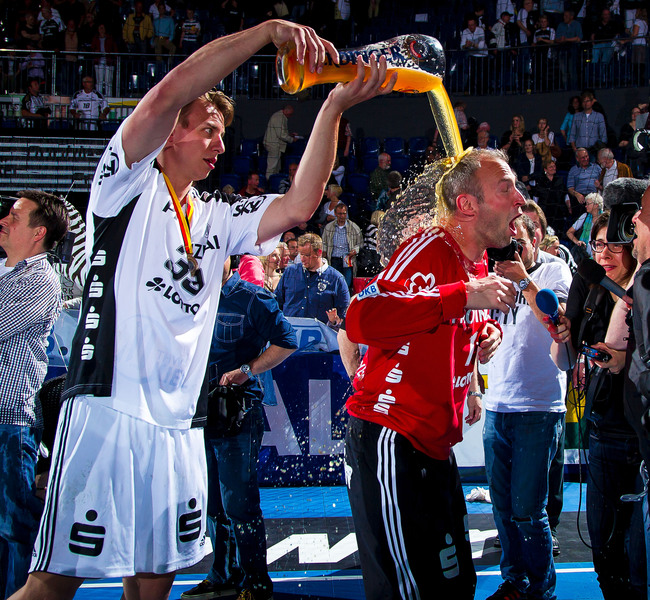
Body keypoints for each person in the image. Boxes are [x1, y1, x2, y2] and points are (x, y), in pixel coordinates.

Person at [12, 18, 395, 600]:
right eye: (209, 130)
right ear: (171, 133)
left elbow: (299, 204)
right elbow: (171, 91)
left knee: (153, 582)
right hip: (109, 405)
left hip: (181, 422)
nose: (220, 144)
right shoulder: (124, 184)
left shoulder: (217, 214)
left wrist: (334, 106)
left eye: (222, 134)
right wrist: (266, 32)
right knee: (53, 583)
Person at [344, 148, 521, 600]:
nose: (520, 199)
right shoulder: (431, 248)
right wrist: (463, 296)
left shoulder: (476, 262)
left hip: (434, 445)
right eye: (506, 188)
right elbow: (361, 317)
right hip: (392, 435)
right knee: (410, 592)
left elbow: (453, 315)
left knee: (455, 586)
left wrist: (484, 332)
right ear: (467, 205)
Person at [180, 257, 297, 600]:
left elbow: (287, 341)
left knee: (239, 503)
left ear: (228, 257)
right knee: (212, 503)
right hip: (197, 413)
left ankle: (255, 584)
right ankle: (223, 575)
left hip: (237, 411)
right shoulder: (187, 295)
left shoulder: (252, 297)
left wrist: (247, 370)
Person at [551, 212, 646, 600]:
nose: (603, 254)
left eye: (614, 245)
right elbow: (564, 360)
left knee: (640, 554)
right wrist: (561, 335)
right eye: (598, 244)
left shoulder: (644, 289)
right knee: (605, 552)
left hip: (641, 434)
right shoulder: (589, 288)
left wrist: (624, 358)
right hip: (603, 430)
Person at [484, 214, 571, 600]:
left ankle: (541, 590)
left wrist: (522, 278)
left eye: (516, 241)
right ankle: (514, 581)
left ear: (535, 238)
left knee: (528, 510)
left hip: (539, 406)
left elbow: (557, 322)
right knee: (503, 508)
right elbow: (483, 326)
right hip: (497, 404)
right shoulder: (493, 276)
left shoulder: (555, 270)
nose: (509, 249)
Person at [0, 190, 69, 599]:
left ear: (38, 232)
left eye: (14, 216)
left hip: (10, 421)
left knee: (14, 527)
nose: (4, 220)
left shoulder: (40, 281)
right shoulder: (6, 273)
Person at [275, 232, 350, 328]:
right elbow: (276, 302)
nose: (302, 259)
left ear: (319, 252)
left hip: (320, 335)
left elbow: (344, 314)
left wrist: (335, 322)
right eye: (301, 254)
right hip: (290, 333)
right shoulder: (290, 272)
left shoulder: (336, 279)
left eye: (307, 255)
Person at [322, 202, 362, 291]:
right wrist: (324, 251)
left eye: (344, 213)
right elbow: (324, 242)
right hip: (334, 258)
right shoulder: (329, 227)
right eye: (340, 214)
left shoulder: (354, 227)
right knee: (334, 283)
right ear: (335, 214)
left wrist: (355, 250)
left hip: (347, 259)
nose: (342, 216)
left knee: (346, 284)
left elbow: (360, 244)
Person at [536, 160, 571, 236]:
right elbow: (536, 196)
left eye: (554, 166)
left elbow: (565, 194)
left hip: (558, 210)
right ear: (545, 169)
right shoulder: (541, 180)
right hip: (545, 210)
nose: (553, 168)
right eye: (550, 167)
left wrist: (569, 206)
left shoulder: (560, 179)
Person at [566, 192, 603, 261]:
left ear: (596, 205)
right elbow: (569, 232)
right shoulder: (584, 216)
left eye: (588, 204)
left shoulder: (604, 218)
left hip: (600, 254)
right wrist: (577, 242)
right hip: (584, 255)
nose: (586, 206)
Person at [263, 104, 297, 179]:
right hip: (274, 145)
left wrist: (289, 135)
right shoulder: (279, 118)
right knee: (272, 167)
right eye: (290, 114)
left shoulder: (279, 117)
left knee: (276, 167)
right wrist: (291, 139)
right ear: (286, 111)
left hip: (275, 144)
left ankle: (273, 181)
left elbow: (280, 133)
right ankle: (268, 181)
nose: (290, 116)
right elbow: (281, 134)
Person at [568, 91, 607, 156]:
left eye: (587, 101)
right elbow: (572, 134)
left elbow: (603, 135)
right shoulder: (576, 116)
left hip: (594, 150)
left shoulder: (599, 116)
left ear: (592, 102)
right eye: (584, 101)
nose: (585, 103)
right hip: (580, 150)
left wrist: (601, 149)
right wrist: (574, 148)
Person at [567, 147, 600, 216]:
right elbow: (570, 188)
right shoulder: (573, 170)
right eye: (583, 158)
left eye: (587, 156)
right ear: (577, 159)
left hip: (594, 196)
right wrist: (577, 195)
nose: (586, 159)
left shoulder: (596, 167)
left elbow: (603, 182)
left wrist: (599, 185)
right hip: (580, 198)